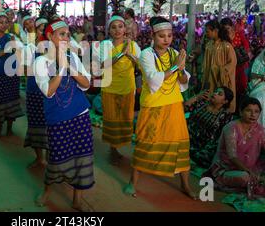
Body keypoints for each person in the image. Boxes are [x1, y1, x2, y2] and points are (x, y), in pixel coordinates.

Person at [125, 16, 196, 199]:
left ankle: (186, 185)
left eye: (169, 36)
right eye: (162, 36)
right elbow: (152, 78)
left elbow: (184, 81)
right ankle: (133, 182)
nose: (166, 39)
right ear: (153, 36)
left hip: (173, 105)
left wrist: (180, 69)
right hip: (153, 106)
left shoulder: (174, 54)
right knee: (145, 143)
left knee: (181, 145)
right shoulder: (146, 54)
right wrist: (175, 66)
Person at [34, 18, 94, 212]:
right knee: (57, 157)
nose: (66, 38)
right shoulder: (40, 62)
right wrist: (61, 66)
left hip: (80, 114)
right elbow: (49, 91)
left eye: (68, 34)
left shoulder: (74, 58)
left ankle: (77, 199)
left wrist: (69, 65)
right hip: (57, 117)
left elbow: (86, 84)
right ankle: (47, 191)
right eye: (62, 34)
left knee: (82, 157)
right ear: (50, 37)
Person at [206, 97, 265, 199]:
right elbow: (232, 156)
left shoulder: (258, 129)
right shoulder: (231, 128)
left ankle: (262, 179)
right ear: (241, 112)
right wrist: (250, 172)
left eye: (256, 111)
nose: (253, 114)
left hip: (250, 167)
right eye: (248, 110)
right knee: (245, 177)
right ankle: (260, 180)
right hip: (227, 169)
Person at [100, 11, 141, 163]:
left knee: (125, 118)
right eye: (113, 27)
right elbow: (103, 65)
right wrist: (120, 55)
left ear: (125, 29)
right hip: (109, 88)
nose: (117, 30)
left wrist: (129, 54)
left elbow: (141, 64)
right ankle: (113, 149)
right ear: (109, 31)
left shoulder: (133, 45)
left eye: (120, 27)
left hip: (127, 88)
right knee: (111, 119)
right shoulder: (105, 45)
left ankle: (120, 146)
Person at [0, 11, 24, 137]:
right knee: (1, 99)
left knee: (12, 99)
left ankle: (9, 127)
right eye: (0, 22)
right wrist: (10, 47)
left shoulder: (12, 37)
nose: (3, 25)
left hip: (12, 73)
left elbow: (22, 49)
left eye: (6, 22)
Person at [23, 12, 49, 168]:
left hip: (50, 91)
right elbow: (26, 70)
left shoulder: (55, 47)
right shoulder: (31, 47)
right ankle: (40, 157)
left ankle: (49, 157)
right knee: (35, 124)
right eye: (40, 29)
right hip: (35, 89)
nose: (43, 33)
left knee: (50, 124)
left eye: (46, 30)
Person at [184, 87, 234, 168]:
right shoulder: (201, 103)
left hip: (203, 146)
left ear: (225, 101)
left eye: (219, 94)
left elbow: (219, 138)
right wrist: (197, 97)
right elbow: (184, 108)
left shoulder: (225, 116)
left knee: (208, 157)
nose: (215, 94)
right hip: (186, 137)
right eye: (215, 91)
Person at [201, 20, 237, 113]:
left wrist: (220, 70)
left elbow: (232, 63)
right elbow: (206, 65)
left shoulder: (226, 46)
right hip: (210, 78)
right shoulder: (209, 45)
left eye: (208, 31)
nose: (206, 34)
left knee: (222, 100)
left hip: (222, 79)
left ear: (215, 31)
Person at [220, 18, 250, 106]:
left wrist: (235, 50)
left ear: (232, 27)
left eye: (228, 28)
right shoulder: (222, 37)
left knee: (241, 84)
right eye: (224, 29)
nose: (226, 31)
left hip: (240, 65)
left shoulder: (238, 34)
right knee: (229, 85)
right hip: (228, 64)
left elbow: (246, 46)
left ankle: (240, 105)